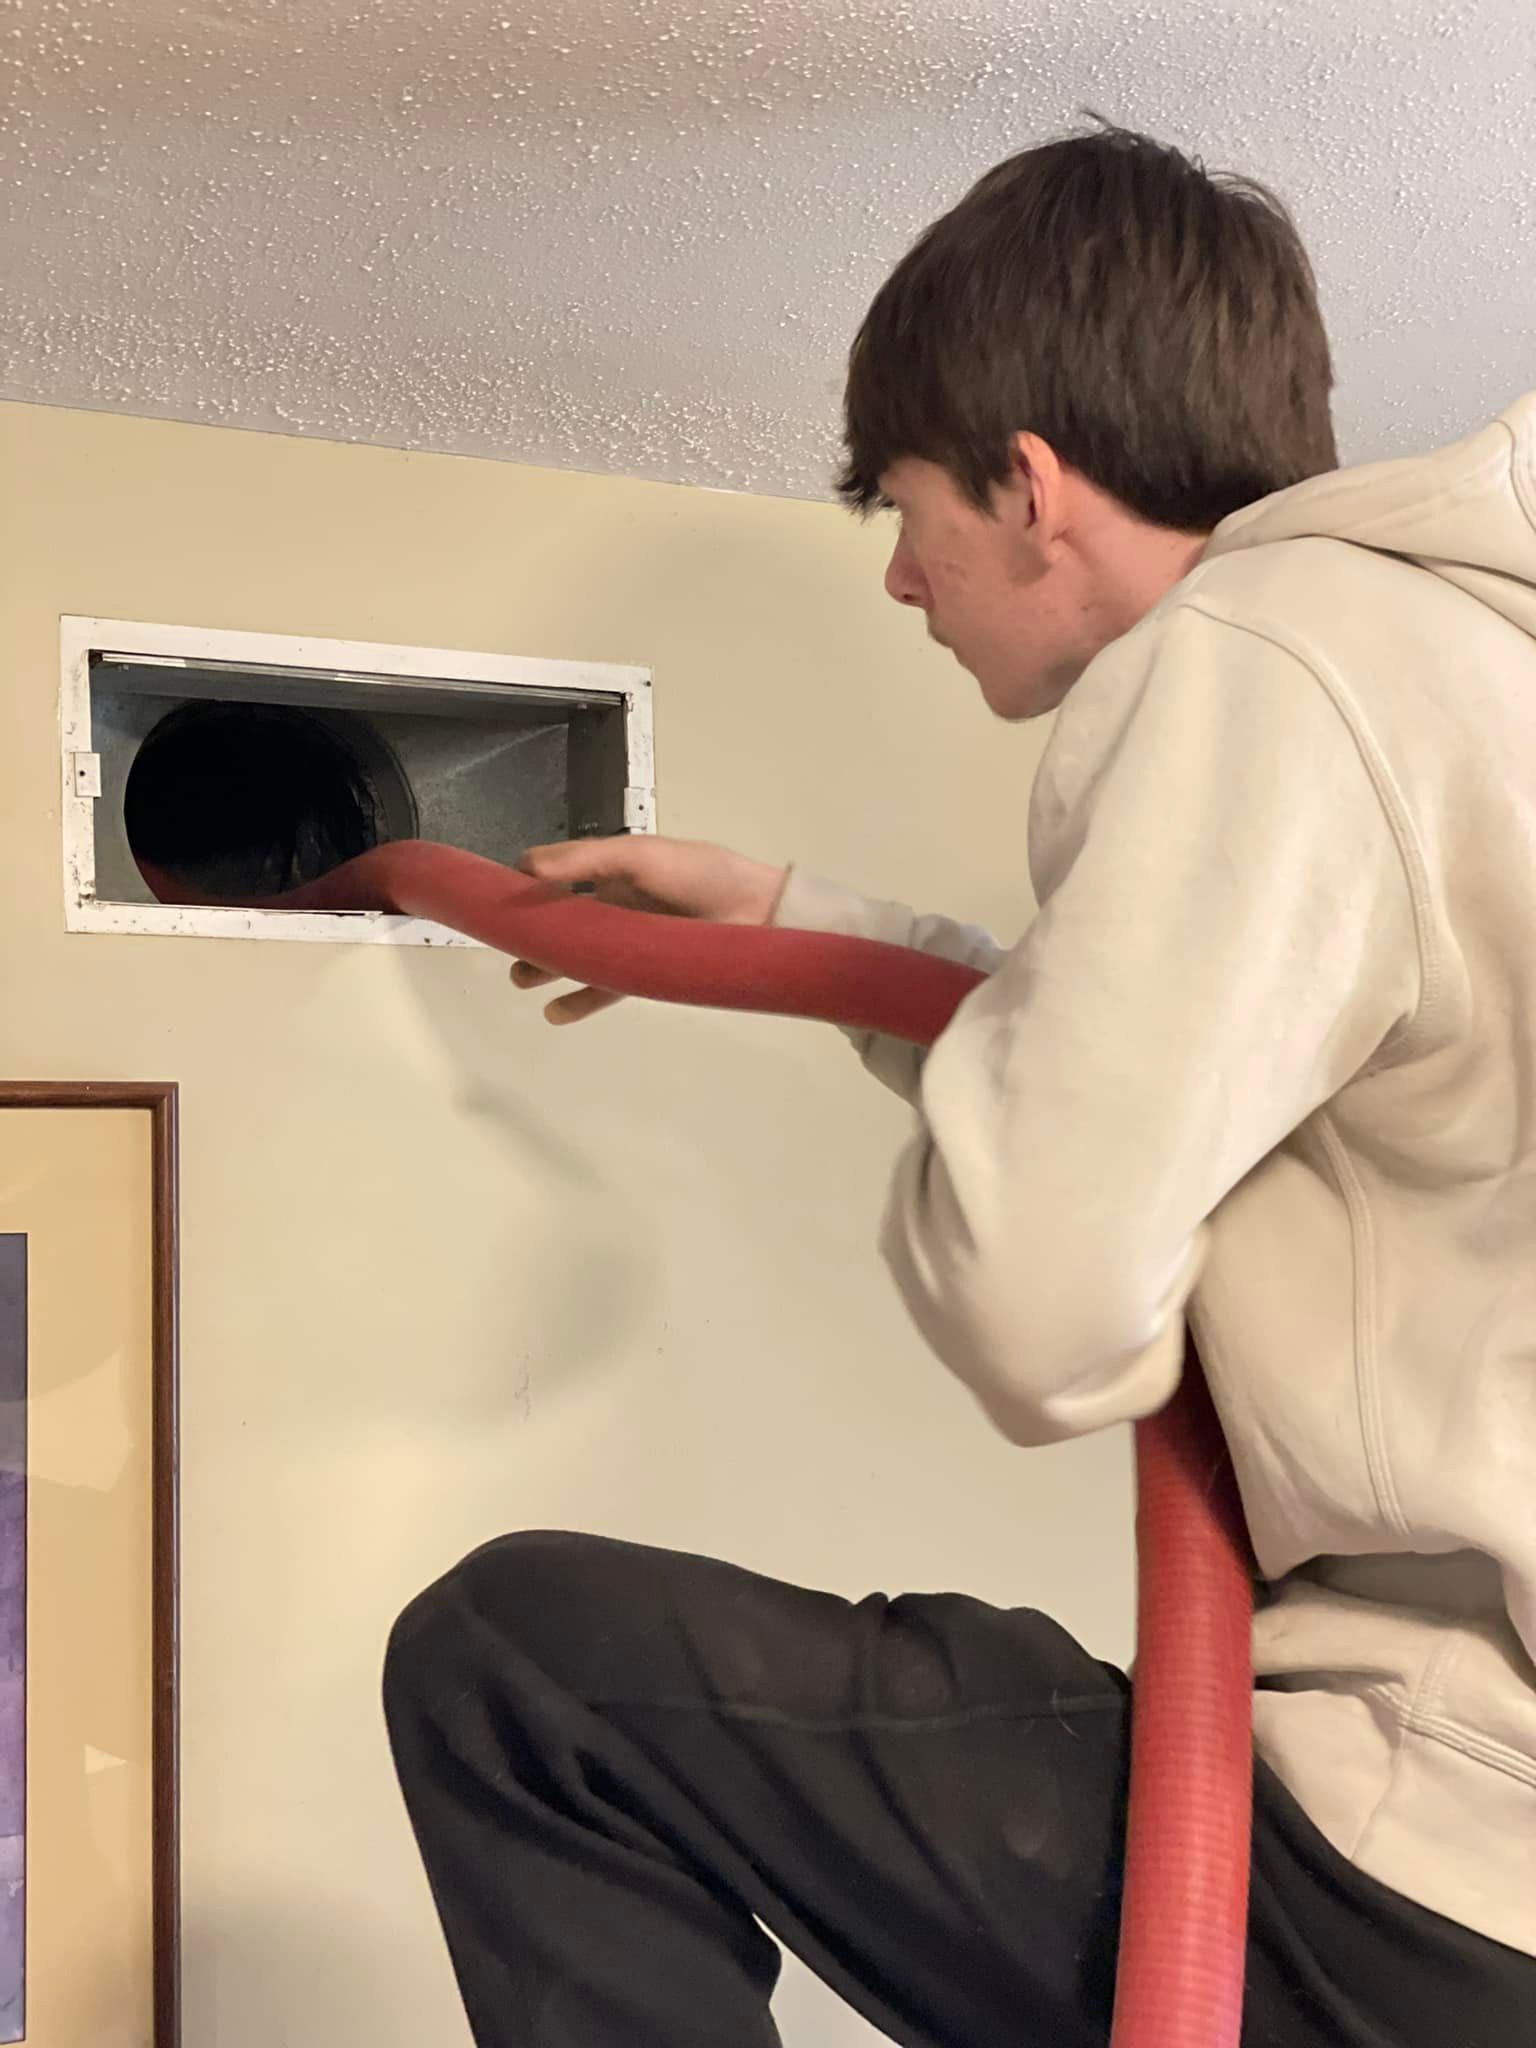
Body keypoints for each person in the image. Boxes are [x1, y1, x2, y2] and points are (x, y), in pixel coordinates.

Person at [381, 122, 1536, 2044]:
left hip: (1404, 1873)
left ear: (1033, 485)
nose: (907, 583)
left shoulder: (1268, 648)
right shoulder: (1458, 678)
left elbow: (1044, 1295)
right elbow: (1228, 1106)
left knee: (523, 1667)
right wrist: (783, 916)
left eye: (906, 513)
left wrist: (999, 1167)